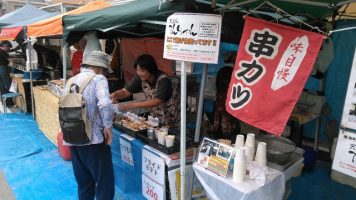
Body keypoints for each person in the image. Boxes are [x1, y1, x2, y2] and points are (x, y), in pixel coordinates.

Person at [64, 51, 115, 200]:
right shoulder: (99, 79)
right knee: (105, 182)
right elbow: (105, 104)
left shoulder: (71, 80)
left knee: (84, 183)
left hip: (72, 137)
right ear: (100, 67)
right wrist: (108, 127)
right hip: (94, 139)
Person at [110, 54, 179, 127]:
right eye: (137, 70)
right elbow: (125, 92)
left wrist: (133, 105)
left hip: (170, 117)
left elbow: (156, 101)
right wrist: (115, 94)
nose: (139, 73)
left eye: (142, 70)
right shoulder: (140, 78)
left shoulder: (163, 80)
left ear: (151, 69)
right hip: (155, 118)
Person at [0, 40, 13, 106]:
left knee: (2, 86)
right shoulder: (3, 52)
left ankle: (4, 102)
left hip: (1, 69)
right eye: (8, 48)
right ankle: (9, 103)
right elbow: (10, 60)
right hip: (2, 69)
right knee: (7, 85)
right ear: (5, 46)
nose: (9, 49)